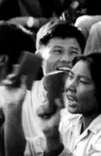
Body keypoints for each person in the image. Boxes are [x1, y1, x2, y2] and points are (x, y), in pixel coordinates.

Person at [0, 21, 85, 156]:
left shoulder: (90, 98)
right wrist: (12, 107)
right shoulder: (17, 93)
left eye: (73, 52)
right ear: (39, 57)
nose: (66, 59)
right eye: (57, 51)